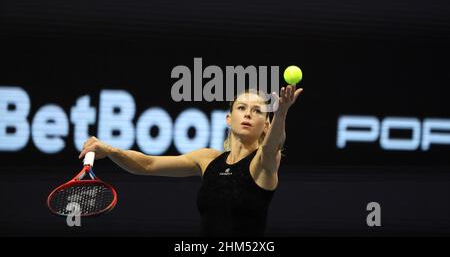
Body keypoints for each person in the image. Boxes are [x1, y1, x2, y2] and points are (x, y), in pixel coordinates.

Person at [79, 85, 303, 236]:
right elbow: (148, 165)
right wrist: (109, 150)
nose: (247, 114)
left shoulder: (263, 163)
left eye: (257, 111)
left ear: (266, 124)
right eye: (241, 108)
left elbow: (272, 145)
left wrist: (281, 113)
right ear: (229, 118)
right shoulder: (207, 159)